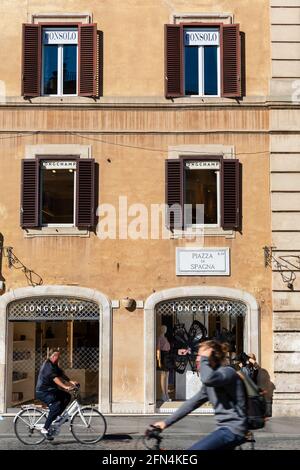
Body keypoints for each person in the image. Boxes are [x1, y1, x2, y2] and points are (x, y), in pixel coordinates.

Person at [153, 340, 248, 450]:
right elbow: (191, 404)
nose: (197, 359)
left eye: (200, 355)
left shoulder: (227, 372)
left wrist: (205, 358)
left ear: (210, 356)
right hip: (225, 429)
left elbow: (207, 378)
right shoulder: (210, 385)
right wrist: (165, 423)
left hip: (234, 429)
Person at [36, 347, 78, 439]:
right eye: (58, 356)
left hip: (50, 390)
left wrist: (71, 381)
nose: (59, 358)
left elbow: (60, 374)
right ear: (53, 356)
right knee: (56, 406)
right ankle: (45, 428)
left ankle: (58, 416)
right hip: (43, 392)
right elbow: (55, 378)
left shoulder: (54, 364)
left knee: (66, 396)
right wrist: (65, 386)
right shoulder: (48, 366)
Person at [157, 325, 172, 402]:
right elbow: (158, 350)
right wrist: (159, 361)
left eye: (166, 328)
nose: (165, 330)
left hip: (167, 356)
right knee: (163, 376)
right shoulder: (159, 338)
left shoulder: (165, 338)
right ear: (161, 329)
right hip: (162, 356)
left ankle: (167, 394)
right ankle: (164, 394)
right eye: (163, 328)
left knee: (167, 375)